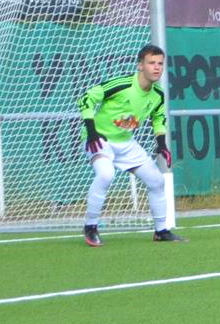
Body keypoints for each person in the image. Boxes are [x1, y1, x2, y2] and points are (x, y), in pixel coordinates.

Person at [78, 45, 181, 245]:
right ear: (140, 65)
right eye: (151, 63)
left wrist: (161, 144)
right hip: (100, 139)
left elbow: (158, 118)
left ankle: (161, 231)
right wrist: (91, 131)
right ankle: (90, 227)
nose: (157, 67)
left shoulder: (158, 95)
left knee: (156, 181)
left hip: (125, 142)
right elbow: (86, 98)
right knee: (106, 174)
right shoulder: (122, 84)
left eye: (160, 63)